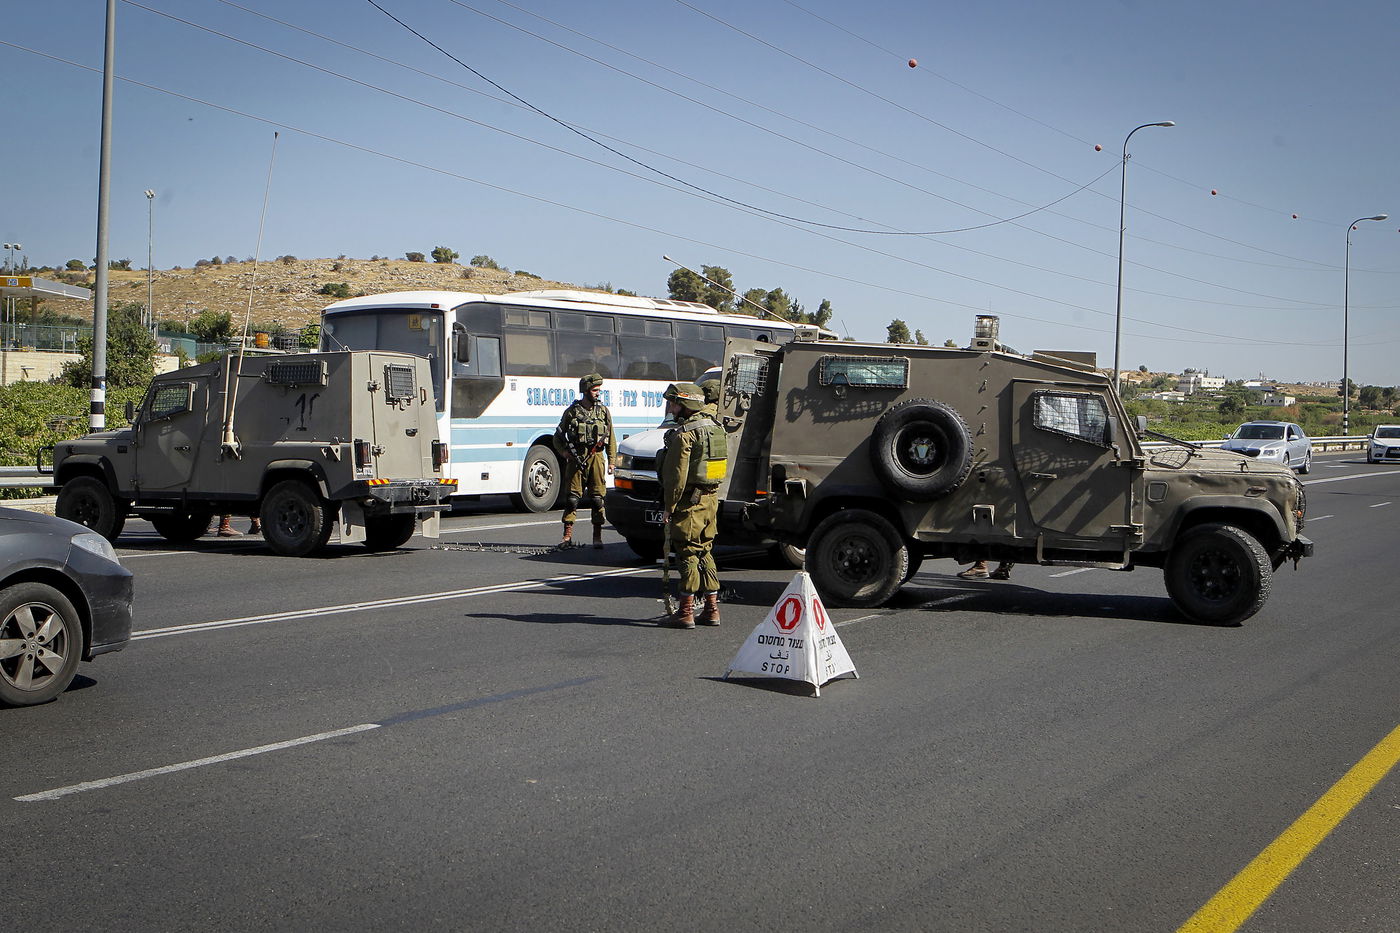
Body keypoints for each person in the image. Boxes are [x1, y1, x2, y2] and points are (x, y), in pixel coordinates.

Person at [659, 382, 728, 628]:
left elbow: (676, 476)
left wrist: (669, 506)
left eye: (674, 402)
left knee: (687, 552)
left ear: (684, 404)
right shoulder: (716, 428)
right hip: (710, 501)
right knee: (705, 551)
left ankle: (686, 611)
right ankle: (712, 609)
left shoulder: (685, 433)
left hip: (690, 503)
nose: (671, 407)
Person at [553, 372, 616, 548]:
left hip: (596, 458)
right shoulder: (571, 412)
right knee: (572, 498)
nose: (598, 393)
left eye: (599, 390)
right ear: (586, 390)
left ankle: (597, 537)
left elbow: (611, 437)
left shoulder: (603, 412)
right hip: (576, 459)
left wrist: (611, 461)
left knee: (597, 498)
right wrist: (565, 453)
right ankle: (567, 536)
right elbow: (557, 437)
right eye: (595, 390)